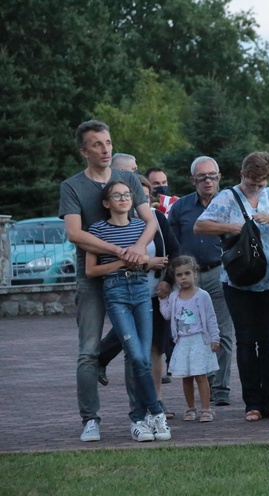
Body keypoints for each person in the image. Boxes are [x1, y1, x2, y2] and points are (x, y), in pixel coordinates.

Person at [59, 120, 156, 442]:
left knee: (135, 350)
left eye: (108, 143)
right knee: (88, 351)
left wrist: (139, 249)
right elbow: (75, 233)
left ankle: (138, 418)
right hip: (93, 279)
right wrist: (119, 250)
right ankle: (90, 419)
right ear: (84, 150)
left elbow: (150, 220)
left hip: (130, 278)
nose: (105, 149)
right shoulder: (72, 186)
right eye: (97, 144)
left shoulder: (128, 179)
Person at [195, 151, 269, 422]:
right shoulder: (226, 197)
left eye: (261, 182)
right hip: (238, 280)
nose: (256, 186)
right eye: (252, 181)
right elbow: (200, 227)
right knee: (246, 341)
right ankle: (252, 404)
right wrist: (233, 227)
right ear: (242, 174)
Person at [85, 180, 171, 442]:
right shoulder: (97, 229)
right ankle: (152, 414)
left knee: (144, 357)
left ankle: (142, 418)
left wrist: (142, 259)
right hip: (116, 292)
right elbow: (91, 270)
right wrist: (123, 261)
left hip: (141, 290)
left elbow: (146, 258)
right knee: (135, 356)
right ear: (106, 202)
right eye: (116, 195)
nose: (123, 199)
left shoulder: (141, 227)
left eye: (127, 195)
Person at [98, 175, 180, 417]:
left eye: (145, 197)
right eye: (138, 196)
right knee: (132, 348)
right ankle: (140, 407)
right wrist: (146, 263)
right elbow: (109, 262)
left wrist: (167, 281)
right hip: (124, 292)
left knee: (154, 348)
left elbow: (174, 251)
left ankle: (156, 400)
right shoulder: (119, 225)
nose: (139, 201)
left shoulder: (157, 220)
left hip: (155, 293)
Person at [169, 156, 235, 406]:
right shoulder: (182, 207)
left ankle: (220, 387)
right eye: (202, 177)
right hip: (188, 281)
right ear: (192, 180)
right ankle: (205, 379)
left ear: (219, 177)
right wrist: (172, 279)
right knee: (194, 334)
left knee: (223, 332)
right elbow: (172, 247)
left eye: (212, 176)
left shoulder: (230, 203)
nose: (208, 181)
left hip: (220, 273)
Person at [158, 256, 220, 423]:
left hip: (199, 340)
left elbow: (211, 318)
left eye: (187, 273)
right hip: (182, 342)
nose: (183, 277)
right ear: (174, 277)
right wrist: (162, 298)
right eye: (179, 275)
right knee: (186, 377)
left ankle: (206, 409)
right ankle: (190, 408)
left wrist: (215, 337)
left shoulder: (202, 296)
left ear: (195, 274)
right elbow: (166, 314)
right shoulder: (174, 297)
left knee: (201, 375)